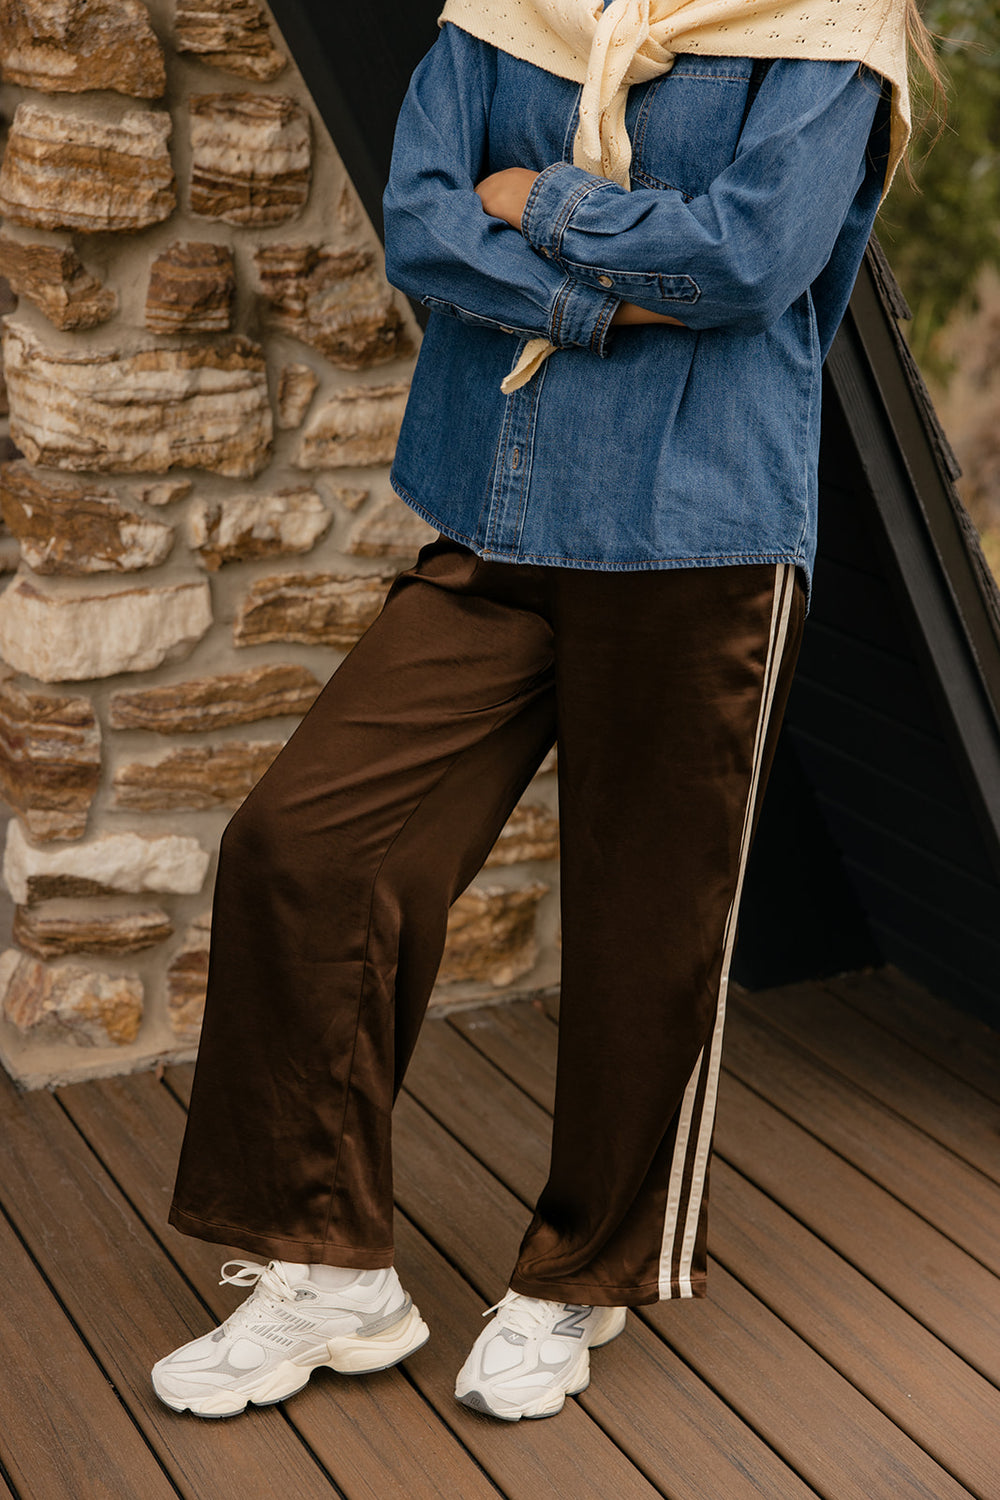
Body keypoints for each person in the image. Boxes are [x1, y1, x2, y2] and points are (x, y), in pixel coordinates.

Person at [152, 0, 925, 1424]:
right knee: (306, 846)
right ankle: (329, 1270)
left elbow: (751, 263)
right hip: (496, 511)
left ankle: (581, 1276)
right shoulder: (509, 8)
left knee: (647, 932)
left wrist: (541, 203)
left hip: (700, 534)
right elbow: (425, 221)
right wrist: (609, 296)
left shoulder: (826, 28)